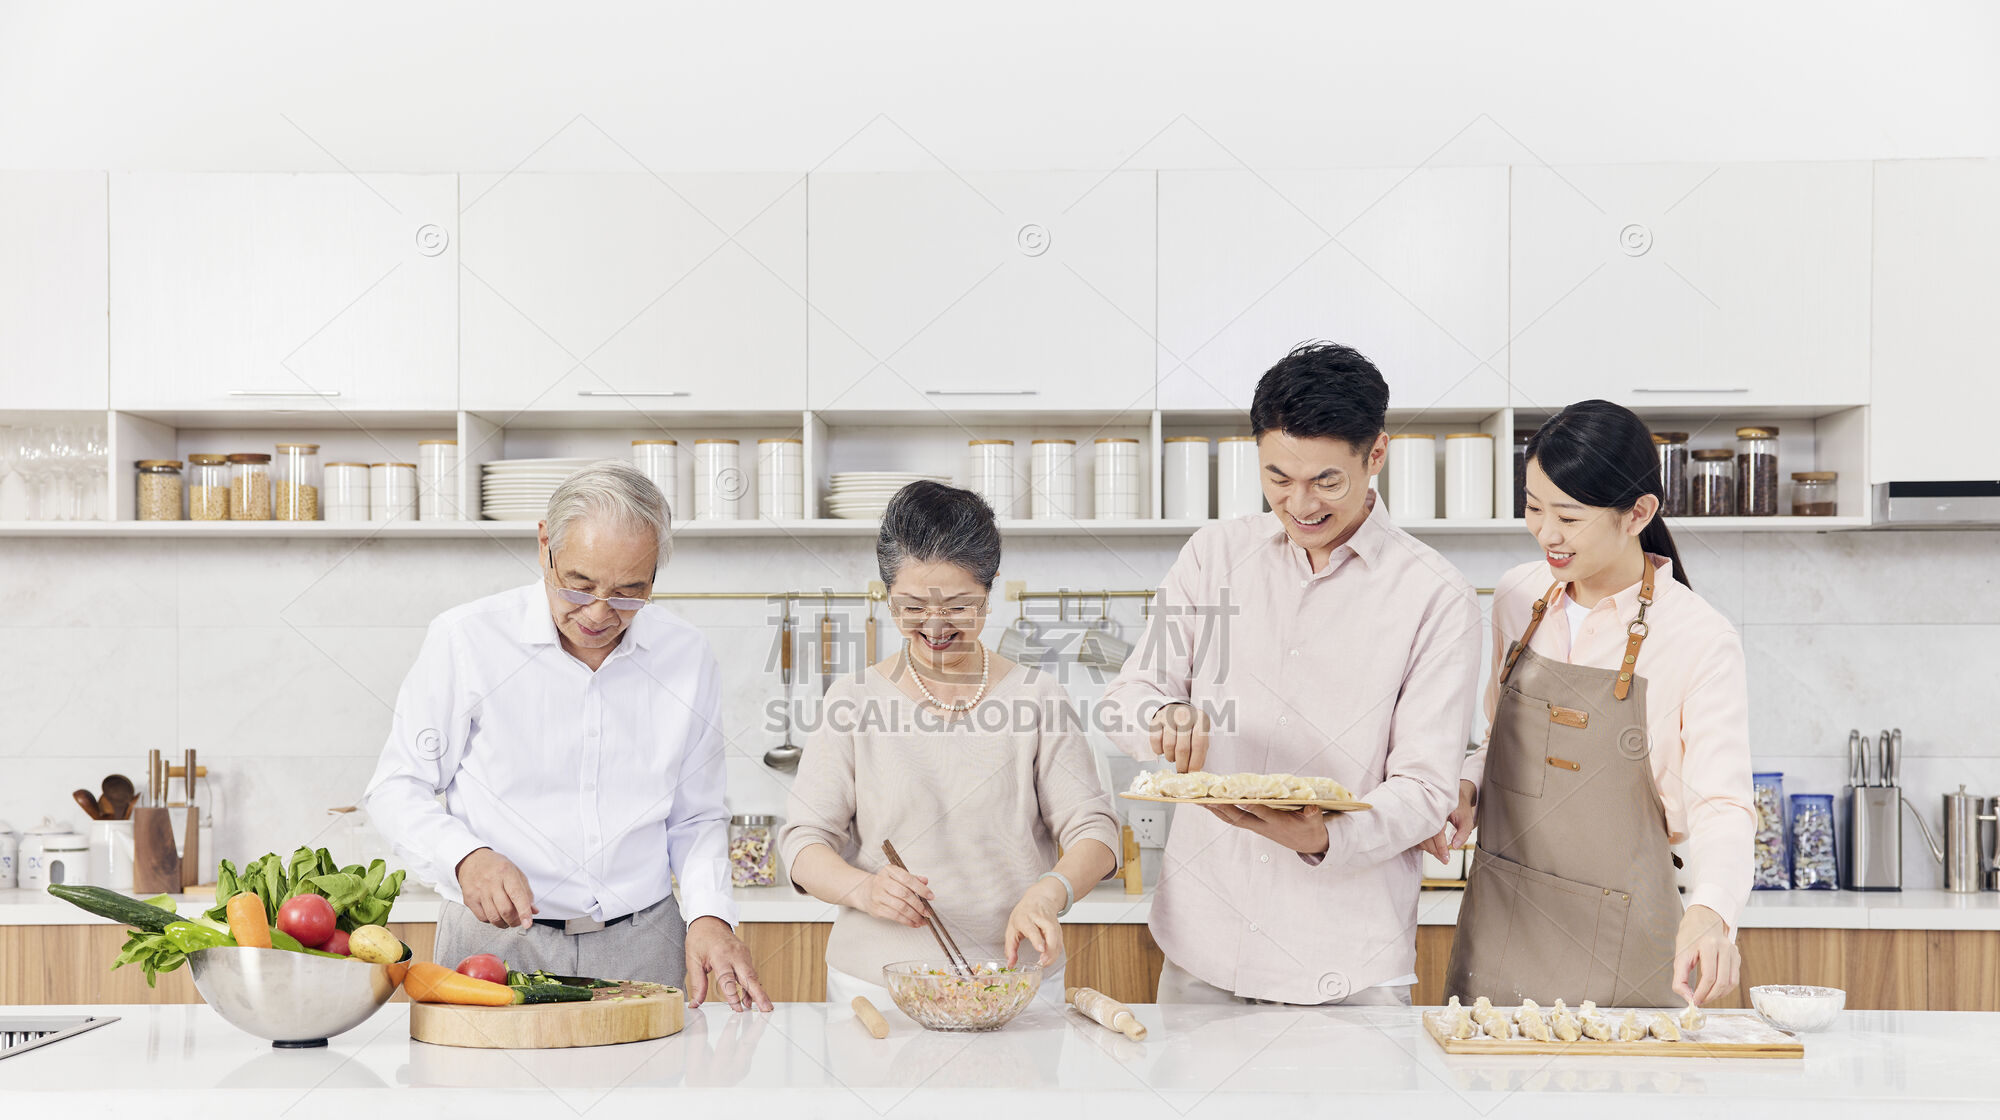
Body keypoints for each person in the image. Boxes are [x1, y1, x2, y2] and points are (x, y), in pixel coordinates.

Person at [1104, 342, 1483, 1006]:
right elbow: (1129, 695)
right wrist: (1164, 717)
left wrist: (1324, 835)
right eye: (1278, 477)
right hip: (1202, 949)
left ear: (1376, 456)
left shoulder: (1435, 595)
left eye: (1326, 481)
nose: (1300, 502)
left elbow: (1424, 788)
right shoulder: (1216, 554)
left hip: (1346, 966)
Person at [364, 461, 770, 1011]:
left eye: (631, 592)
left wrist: (709, 915)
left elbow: (695, 817)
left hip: (644, 944)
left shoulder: (686, 654)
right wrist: (465, 858)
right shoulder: (467, 640)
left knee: (644, 1094)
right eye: (579, 586)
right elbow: (397, 786)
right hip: (495, 943)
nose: (600, 614)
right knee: (483, 1098)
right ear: (543, 545)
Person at [1428, 399, 1751, 1007]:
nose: (1547, 533)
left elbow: (1724, 803)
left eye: (1569, 517)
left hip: (1626, 943)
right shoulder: (1518, 596)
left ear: (1639, 513)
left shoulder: (1699, 638)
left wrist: (1713, 910)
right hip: (1504, 923)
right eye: (1533, 507)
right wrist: (1470, 783)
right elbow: (1500, 734)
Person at [779, 480, 1122, 1009]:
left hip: (1015, 986)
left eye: (960, 606)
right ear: (886, 593)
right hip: (879, 989)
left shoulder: (1038, 698)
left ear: (991, 590)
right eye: (912, 606)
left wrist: (1051, 892)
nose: (935, 626)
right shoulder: (852, 699)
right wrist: (863, 890)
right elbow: (803, 844)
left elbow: (1096, 834)